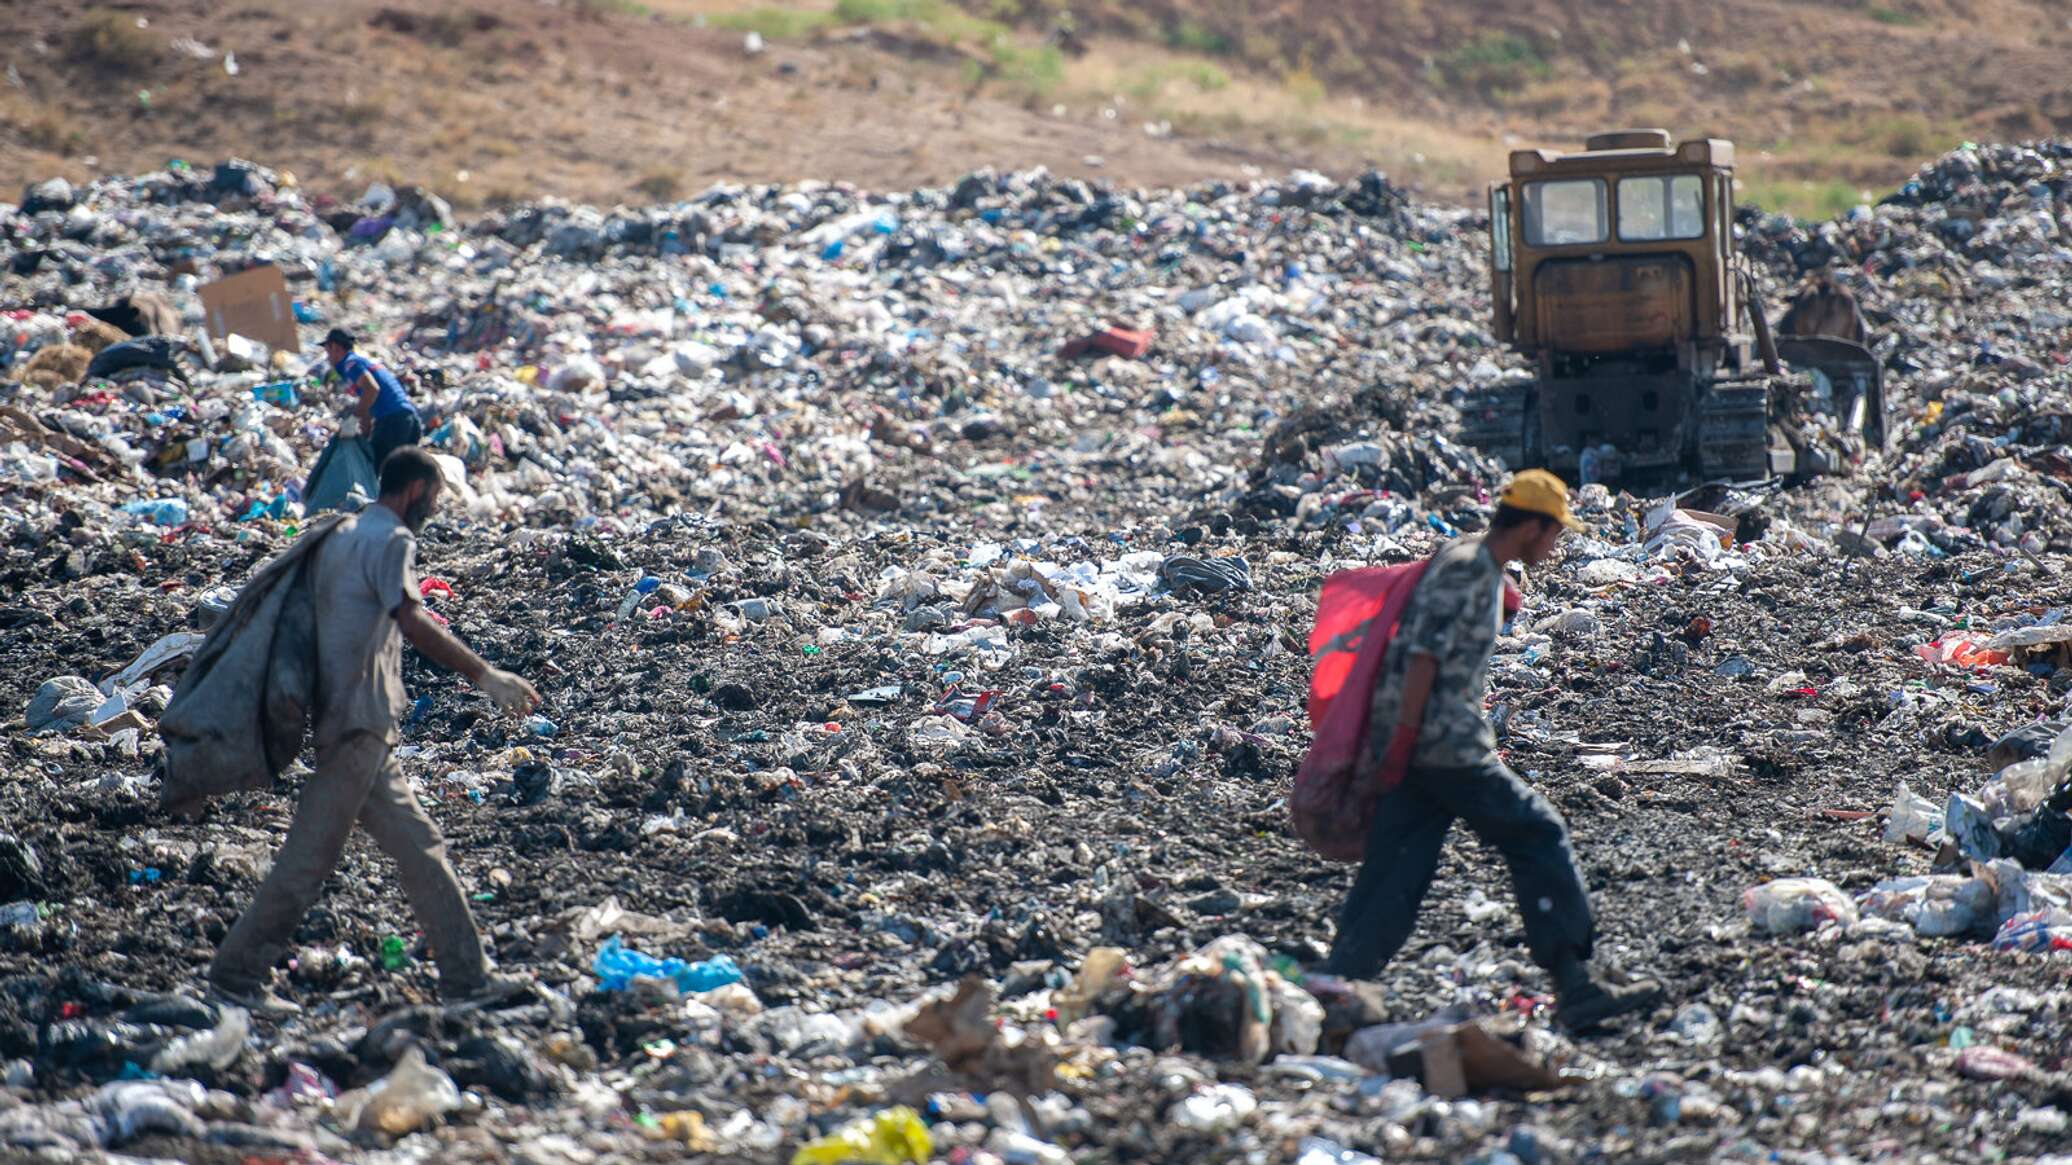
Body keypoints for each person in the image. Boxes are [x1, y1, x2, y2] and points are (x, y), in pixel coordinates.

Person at [1318, 470, 1664, 1031]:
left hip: (1420, 748)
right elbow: (1421, 660)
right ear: (1530, 525)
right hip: (1444, 748)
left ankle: (1341, 981)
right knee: (1538, 832)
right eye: (1553, 533)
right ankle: (1573, 983)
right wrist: (1401, 745)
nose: (1555, 545)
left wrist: (1397, 750)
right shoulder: (1468, 573)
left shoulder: (1470, 562)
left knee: (1396, 864)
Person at [209, 448, 541, 1014]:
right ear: (414, 491)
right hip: (357, 723)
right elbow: (411, 619)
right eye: (434, 496)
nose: (434, 508)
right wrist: (485, 675)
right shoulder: (391, 541)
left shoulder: (343, 534)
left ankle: (467, 980)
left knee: (420, 849)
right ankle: (235, 977)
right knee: (307, 860)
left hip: (355, 720)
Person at [323, 327, 421, 472]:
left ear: (335, 347)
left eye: (328, 350)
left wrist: (352, 420)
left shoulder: (350, 364)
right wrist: (364, 436)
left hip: (392, 422)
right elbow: (368, 403)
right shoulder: (361, 362)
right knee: (402, 476)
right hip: (409, 421)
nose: (327, 357)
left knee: (373, 472)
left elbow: (372, 389)